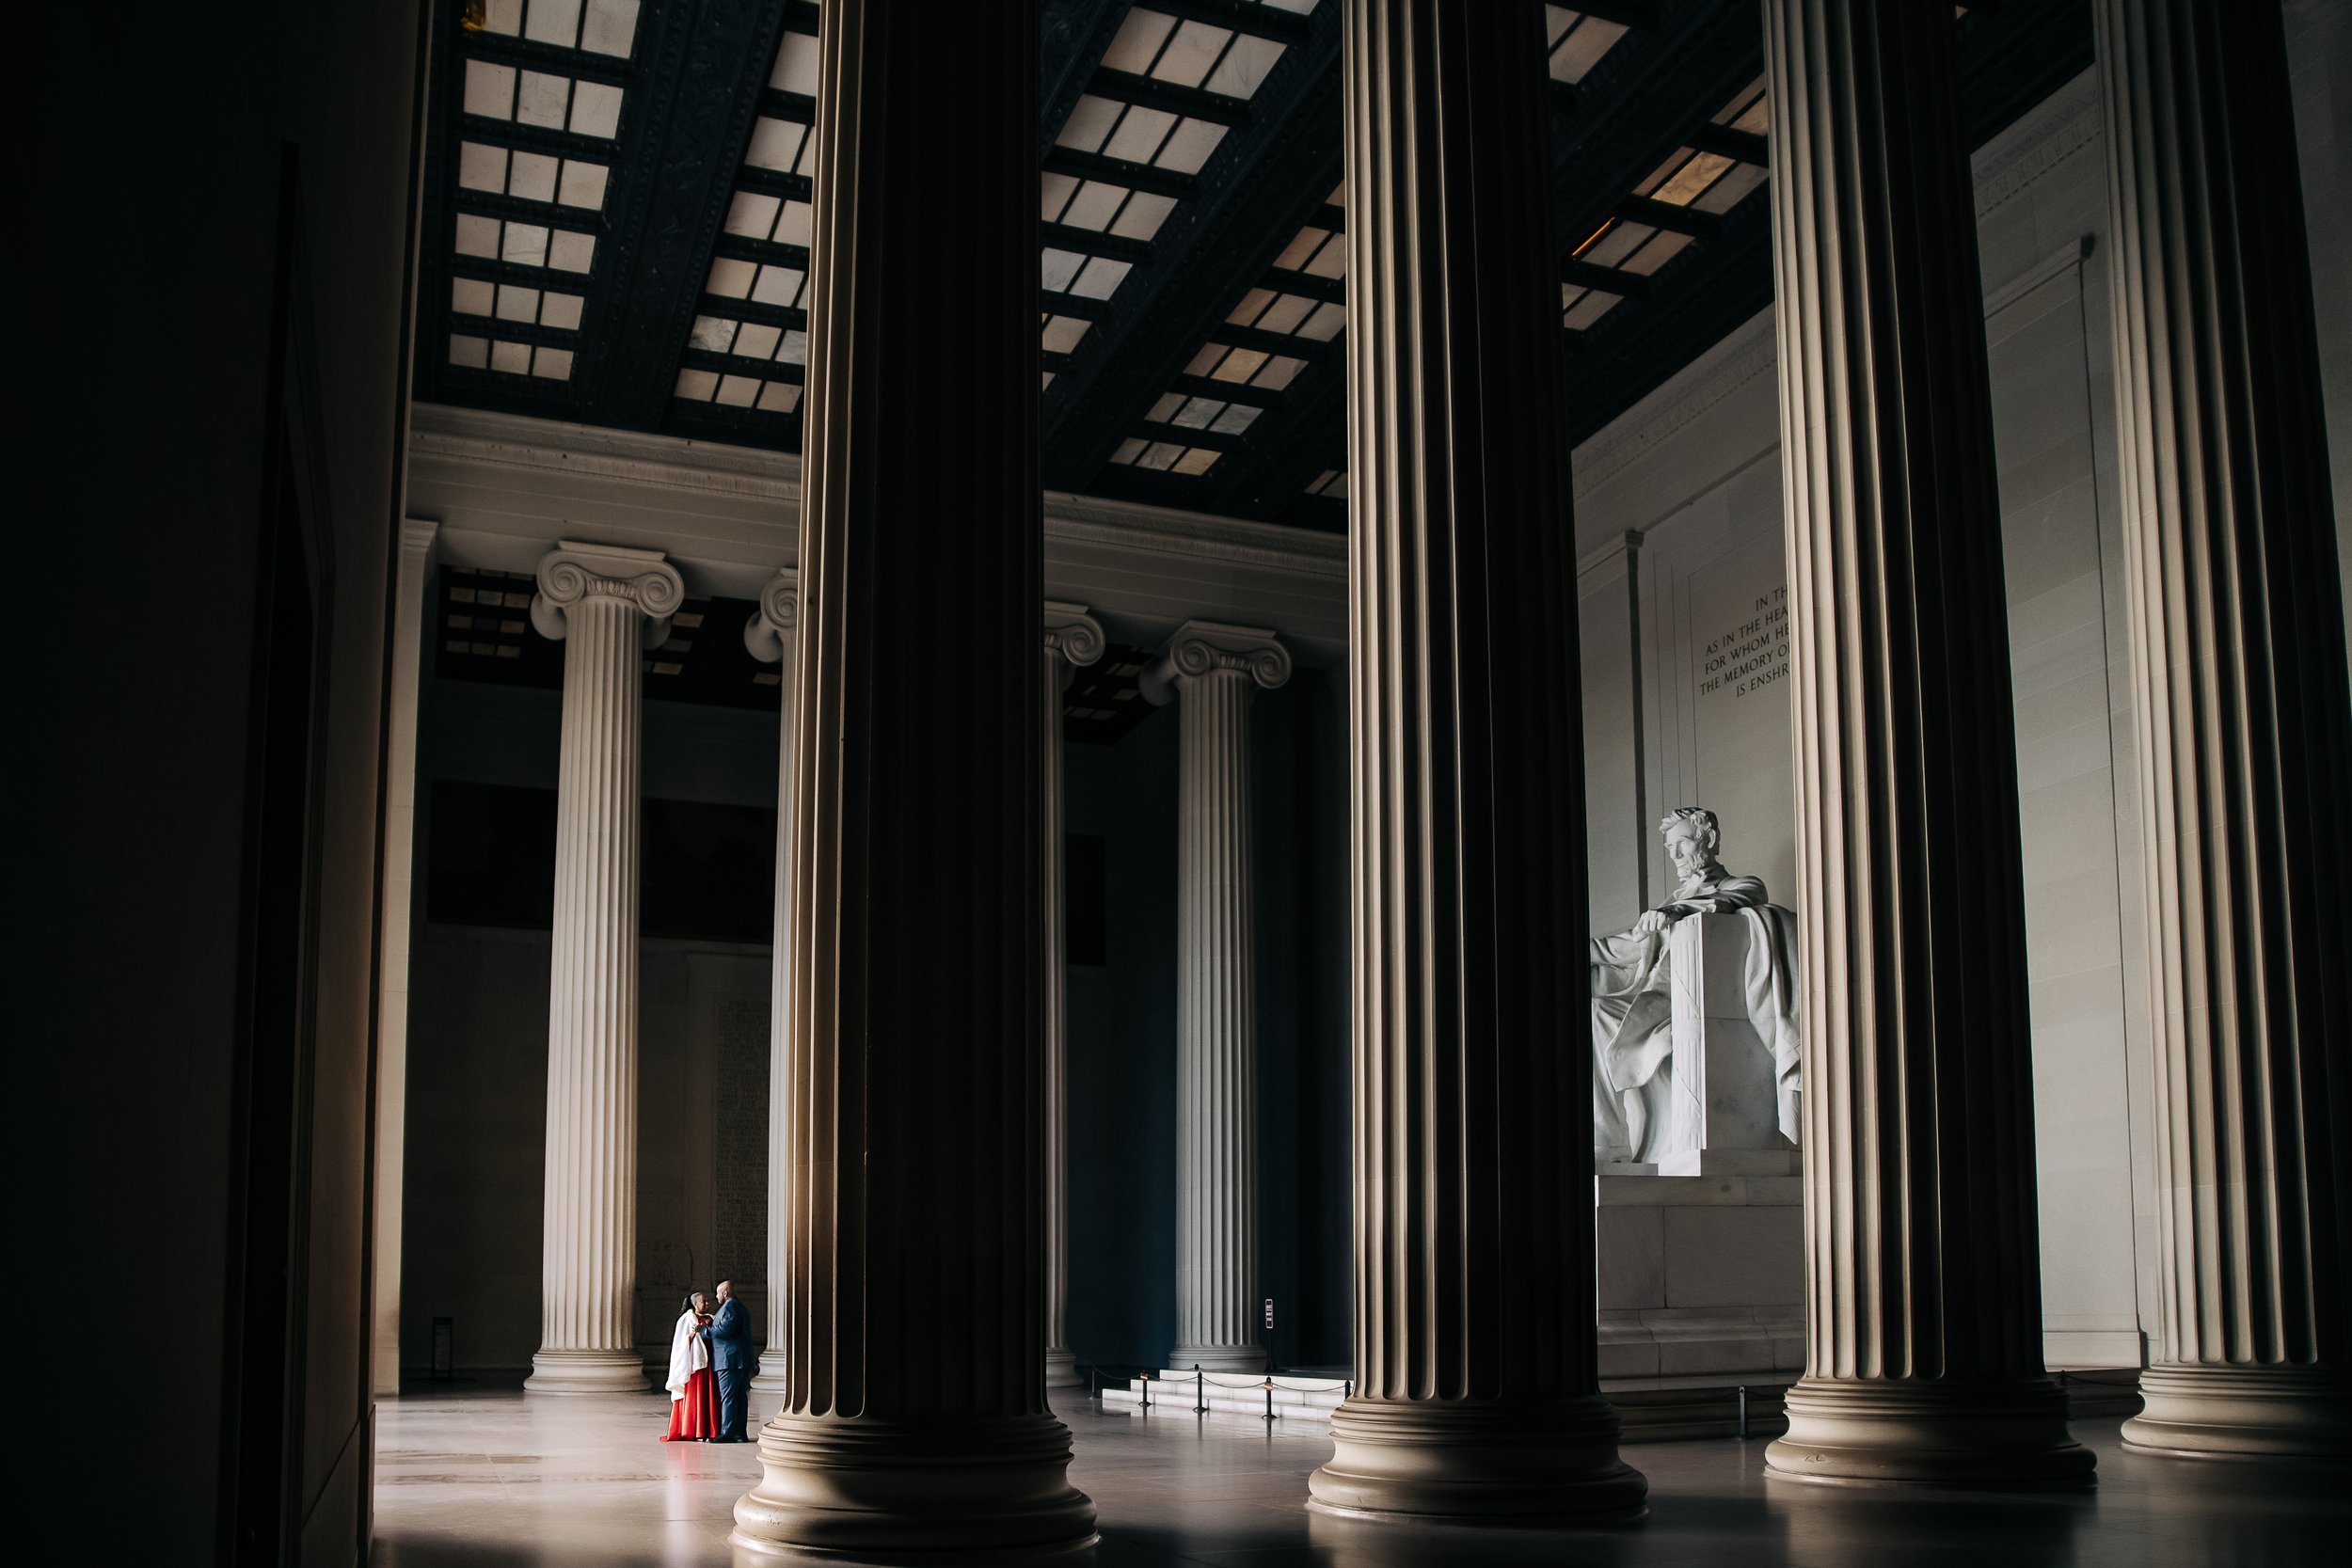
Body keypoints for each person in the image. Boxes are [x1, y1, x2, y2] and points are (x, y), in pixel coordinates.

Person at [1590, 807, 1798, 1164]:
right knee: (1592, 1011)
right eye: (1670, 847)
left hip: (1701, 1000)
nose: (1674, 855)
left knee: (1598, 1014)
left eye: (1682, 843)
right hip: (1655, 999)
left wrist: (1676, 914)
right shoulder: (1669, 903)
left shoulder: (1741, 885)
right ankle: (1608, 1142)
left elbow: (1731, 901)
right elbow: (1622, 946)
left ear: (1709, 840)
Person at [661, 1291, 719, 1442]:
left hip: (710, 1363)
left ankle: (710, 1429)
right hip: (695, 1365)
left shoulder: (712, 1318)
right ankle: (694, 1429)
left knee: (710, 1395)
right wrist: (692, 1336)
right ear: (695, 1304)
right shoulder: (686, 1320)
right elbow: (680, 1344)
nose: (707, 1304)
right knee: (696, 1395)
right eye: (703, 1301)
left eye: (707, 1301)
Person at [703, 1279, 752, 1442]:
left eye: (718, 1293)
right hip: (738, 1359)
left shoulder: (731, 1306)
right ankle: (739, 1433)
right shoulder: (739, 1306)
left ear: (725, 1293)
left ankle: (728, 1432)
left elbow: (724, 1330)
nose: (716, 1297)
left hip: (729, 1360)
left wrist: (705, 1330)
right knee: (739, 1397)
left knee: (729, 1397)